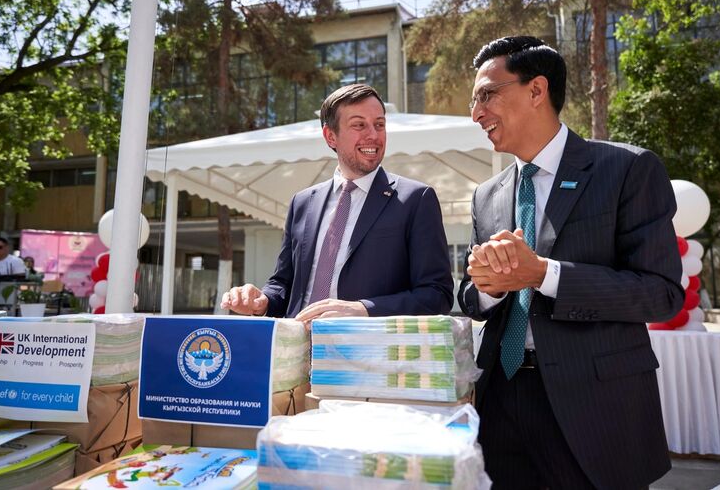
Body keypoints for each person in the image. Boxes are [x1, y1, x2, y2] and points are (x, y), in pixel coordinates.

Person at [458, 36, 684, 489]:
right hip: (500, 400)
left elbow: (660, 293)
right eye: (474, 101)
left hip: (595, 407)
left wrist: (544, 274)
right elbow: (470, 296)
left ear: (536, 90)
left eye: (487, 95)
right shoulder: (486, 195)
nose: (476, 113)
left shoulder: (626, 169)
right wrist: (488, 286)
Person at [222, 84, 453, 321]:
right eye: (359, 125)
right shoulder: (302, 203)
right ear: (330, 136)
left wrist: (363, 309)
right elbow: (283, 284)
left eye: (379, 125)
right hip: (297, 341)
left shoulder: (416, 199)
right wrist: (263, 301)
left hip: (365, 343)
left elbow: (437, 295)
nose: (373, 135)